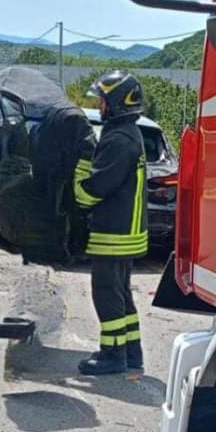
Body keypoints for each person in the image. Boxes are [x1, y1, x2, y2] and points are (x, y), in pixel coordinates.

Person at [73, 70, 149, 376]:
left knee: (106, 292)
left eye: (103, 101)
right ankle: (132, 352)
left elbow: (97, 187)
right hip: (126, 232)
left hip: (114, 232)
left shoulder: (118, 139)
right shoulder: (131, 134)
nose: (100, 107)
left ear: (117, 102)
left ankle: (112, 354)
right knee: (121, 293)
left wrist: (77, 191)